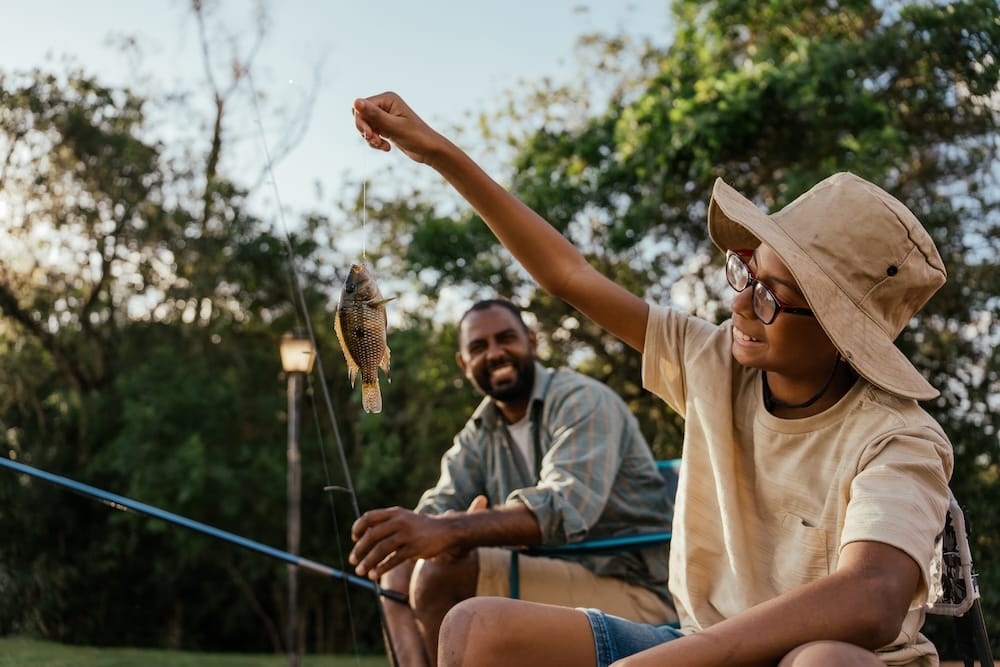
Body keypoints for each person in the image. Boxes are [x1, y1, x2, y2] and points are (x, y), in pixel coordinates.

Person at [351, 92, 954, 667]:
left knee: (821, 661)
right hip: (694, 644)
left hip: (810, 657)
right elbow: (569, 274)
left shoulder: (898, 437)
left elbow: (871, 595)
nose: (742, 305)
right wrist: (437, 152)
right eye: (747, 274)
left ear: (841, 334)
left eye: (775, 296)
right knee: (474, 630)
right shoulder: (712, 360)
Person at [349, 298, 676, 666]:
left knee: (440, 572)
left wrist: (456, 530)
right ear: (463, 364)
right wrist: (418, 543)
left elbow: (560, 508)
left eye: (506, 338)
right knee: (400, 561)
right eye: (478, 347)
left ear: (532, 342)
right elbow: (434, 514)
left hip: (632, 586)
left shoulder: (581, 399)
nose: (495, 353)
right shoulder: (479, 432)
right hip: (549, 573)